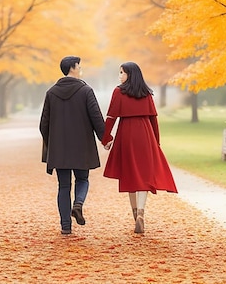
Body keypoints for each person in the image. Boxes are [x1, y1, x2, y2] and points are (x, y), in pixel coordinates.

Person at [101, 61, 178, 234]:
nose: (119, 76)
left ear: (129, 74)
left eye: (122, 72)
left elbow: (111, 117)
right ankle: (142, 212)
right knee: (144, 175)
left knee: (129, 175)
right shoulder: (146, 93)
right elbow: (153, 120)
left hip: (126, 135)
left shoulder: (118, 92)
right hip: (146, 135)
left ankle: (135, 215)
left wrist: (106, 138)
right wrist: (156, 143)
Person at [40, 56, 105, 235]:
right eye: (79, 65)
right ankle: (78, 204)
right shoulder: (86, 91)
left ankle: (65, 226)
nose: (80, 68)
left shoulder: (51, 93)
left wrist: (51, 142)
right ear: (73, 68)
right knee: (82, 179)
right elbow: (97, 118)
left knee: (63, 186)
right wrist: (105, 139)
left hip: (59, 149)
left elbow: (43, 124)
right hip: (82, 147)